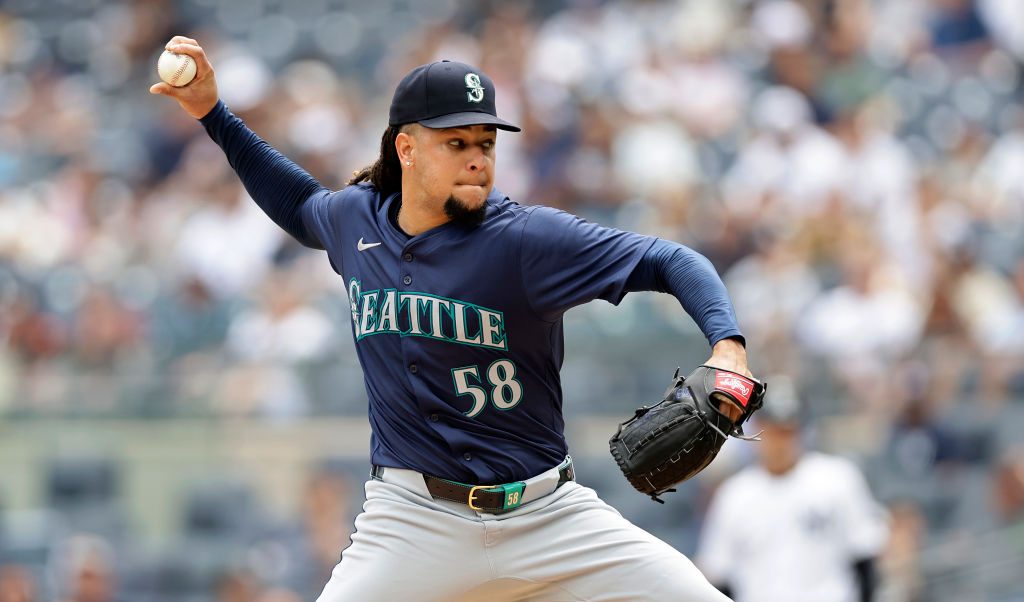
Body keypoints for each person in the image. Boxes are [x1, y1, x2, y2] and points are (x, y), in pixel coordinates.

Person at [152, 35, 756, 602]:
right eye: (456, 143)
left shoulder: (526, 240)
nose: (476, 160)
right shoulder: (357, 220)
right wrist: (212, 113)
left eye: (485, 144)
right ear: (406, 149)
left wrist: (727, 346)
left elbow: (672, 260)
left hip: (547, 516)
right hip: (412, 522)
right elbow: (297, 202)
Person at [696, 376, 889, 602]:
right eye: (772, 430)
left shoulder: (838, 479)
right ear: (756, 428)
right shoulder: (734, 495)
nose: (780, 441)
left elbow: (865, 559)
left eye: (788, 431)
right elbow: (720, 576)